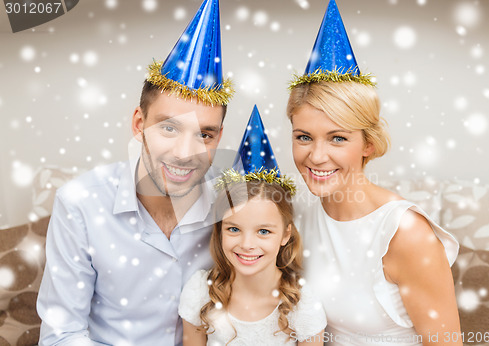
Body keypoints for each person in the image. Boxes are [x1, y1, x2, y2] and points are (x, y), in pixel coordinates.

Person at [36, 0, 234, 345]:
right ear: (139, 124)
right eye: (169, 128)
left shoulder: (232, 200)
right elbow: (62, 334)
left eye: (205, 134)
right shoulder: (81, 203)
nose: (185, 154)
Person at [286, 0, 461, 345]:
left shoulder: (405, 234)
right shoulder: (299, 215)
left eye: (338, 138)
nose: (317, 156)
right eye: (304, 137)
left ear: (368, 144)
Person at [178, 106, 327, 345]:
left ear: (285, 234)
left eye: (264, 231)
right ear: (219, 230)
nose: (247, 245)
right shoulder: (200, 292)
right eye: (234, 229)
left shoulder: (301, 305)